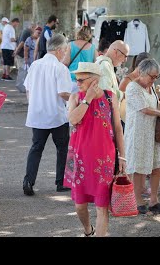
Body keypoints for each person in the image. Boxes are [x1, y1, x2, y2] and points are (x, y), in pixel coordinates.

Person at [64, 62, 126, 237]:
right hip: (80, 158)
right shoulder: (75, 97)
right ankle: (87, 230)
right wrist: (87, 98)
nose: (77, 82)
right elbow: (73, 119)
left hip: (104, 158)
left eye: (81, 79)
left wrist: (122, 156)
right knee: (79, 205)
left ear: (94, 80)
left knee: (102, 206)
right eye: (76, 79)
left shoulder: (110, 97)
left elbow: (118, 128)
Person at [23, 34, 71, 196]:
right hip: (56, 114)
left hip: (37, 113)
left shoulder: (35, 65)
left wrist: (33, 104)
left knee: (36, 148)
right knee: (62, 148)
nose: (65, 54)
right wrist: (77, 99)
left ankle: (28, 180)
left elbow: (28, 89)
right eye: (64, 50)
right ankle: (61, 182)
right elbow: (64, 92)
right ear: (58, 50)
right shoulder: (60, 68)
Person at [124, 59, 160, 214]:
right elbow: (144, 109)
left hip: (153, 133)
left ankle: (154, 200)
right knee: (138, 167)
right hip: (138, 133)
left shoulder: (152, 87)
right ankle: (138, 200)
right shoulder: (132, 87)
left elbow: (155, 103)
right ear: (141, 72)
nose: (153, 80)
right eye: (152, 76)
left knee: (157, 165)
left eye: (156, 77)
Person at [63, 25, 98, 93]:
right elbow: (96, 66)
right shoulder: (93, 48)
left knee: (71, 101)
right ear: (89, 35)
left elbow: (66, 63)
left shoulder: (70, 45)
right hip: (86, 81)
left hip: (72, 79)